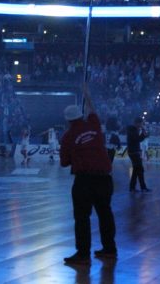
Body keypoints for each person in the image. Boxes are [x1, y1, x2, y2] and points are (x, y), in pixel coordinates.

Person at [60, 83, 117, 265]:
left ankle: (83, 254)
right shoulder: (94, 125)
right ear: (81, 115)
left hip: (84, 180)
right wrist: (87, 94)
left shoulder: (68, 137)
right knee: (105, 214)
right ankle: (109, 249)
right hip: (104, 179)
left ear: (68, 120)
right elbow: (93, 110)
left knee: (82, 217)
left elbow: (64, 162)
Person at [127, 117, 151, 192]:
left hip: (134, 151)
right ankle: (142, 187)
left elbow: (138, 139)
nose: (142, 125)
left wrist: (144, 135)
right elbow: (137, 139)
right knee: (140, 169)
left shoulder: (134, 129)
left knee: (136, 170)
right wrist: (143, 134)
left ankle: (132, 187)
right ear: (137, 123)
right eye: (141, 123)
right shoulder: (132, 129)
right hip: (133, 152)